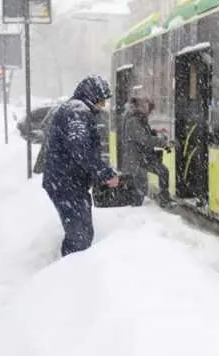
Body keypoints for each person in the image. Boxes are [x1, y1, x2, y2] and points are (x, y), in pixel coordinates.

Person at [42, 74, 120, 257]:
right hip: (66, 183)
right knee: (79, 236)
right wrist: (105, 174)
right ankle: (69, 276)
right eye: (101, 101)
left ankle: (72, 272)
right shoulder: (76, 112)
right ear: (92, 96)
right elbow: (81, 150)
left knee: (81, 233)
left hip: (68, 182)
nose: (103, 106)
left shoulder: (76, 109)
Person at [120, 96, 172, 206]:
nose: (150, 113)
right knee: (140, 189)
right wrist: (162, 142)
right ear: (141, 107)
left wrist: (155, 131)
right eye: (150, 109)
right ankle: (136, 212)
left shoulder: (139, 118)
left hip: (144, 157)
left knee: (163, 171)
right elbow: (144, 139)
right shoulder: (133, 120)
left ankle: (164, 199)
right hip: (136, 159)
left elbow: (144, 134)